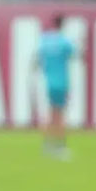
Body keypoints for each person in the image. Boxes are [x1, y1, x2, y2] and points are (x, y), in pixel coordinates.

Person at [35, 14, 77, 160]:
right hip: (62, 82)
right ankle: (60, 146)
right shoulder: (64, 42)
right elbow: (73, 54)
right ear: (63, 24)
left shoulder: (45, 41)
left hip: (49, 81)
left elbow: (39, 59)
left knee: (51, 113)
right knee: (60, 114)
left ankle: (47, 144)